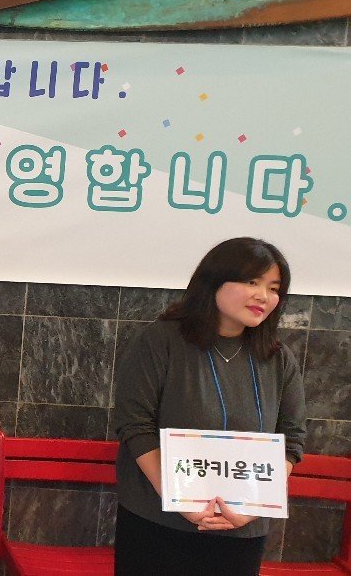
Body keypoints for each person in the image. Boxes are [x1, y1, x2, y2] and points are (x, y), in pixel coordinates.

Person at [112, 237, 306, 576]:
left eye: (274, 288)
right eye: (252, 282)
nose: (264, 296)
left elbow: (291, 439)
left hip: (241, 529)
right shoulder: (162, 341)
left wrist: (253, 506)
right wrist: (178, 497)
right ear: (213, 281)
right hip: (156, 521)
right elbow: (135, 423)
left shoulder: (278, 358)